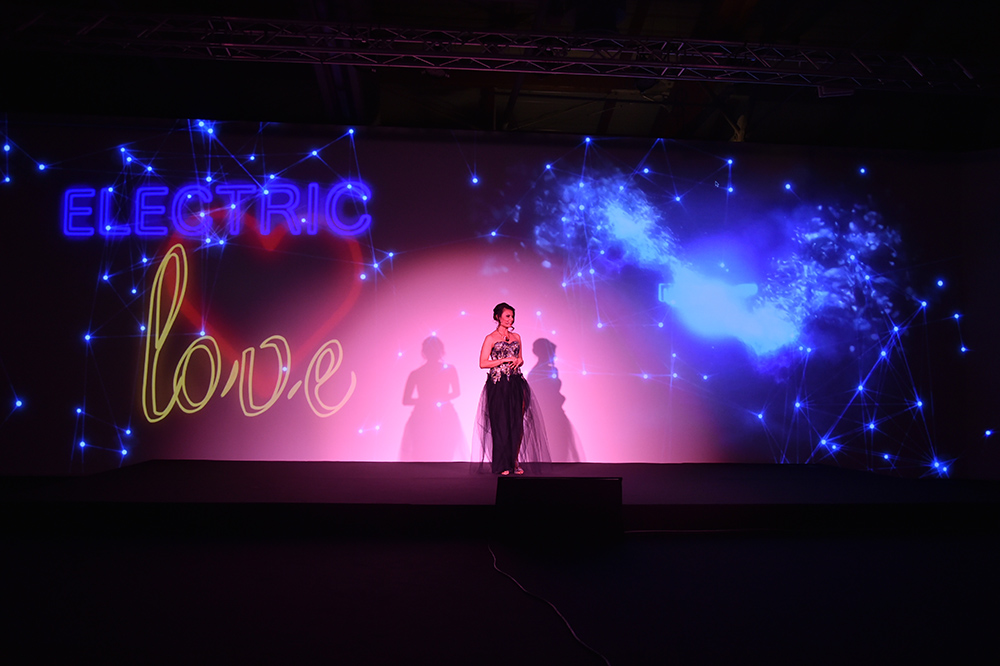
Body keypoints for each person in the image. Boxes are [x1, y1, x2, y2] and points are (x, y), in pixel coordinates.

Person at [475, 302, 549, 475]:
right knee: (501, 423)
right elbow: (482, 363)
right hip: (498, 384)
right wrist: (503, 360)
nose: (511, 319)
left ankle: (514, 461)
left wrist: (519, 361)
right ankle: (502, 464)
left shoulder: (517, 337)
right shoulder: (491, 338)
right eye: (507, 316)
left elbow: (520, 358)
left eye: (512, 316)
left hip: (515, 382)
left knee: (517, 423)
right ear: (497, 317)